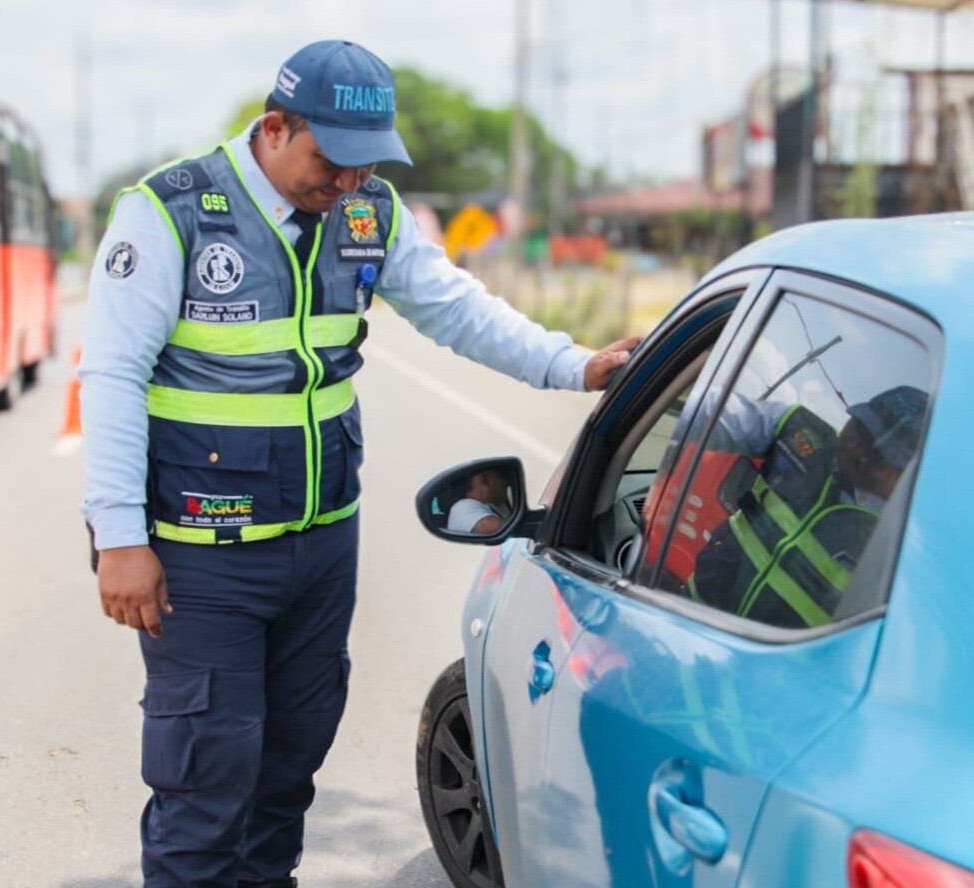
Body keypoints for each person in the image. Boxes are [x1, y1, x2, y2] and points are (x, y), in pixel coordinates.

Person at [80, 40, 639, 888]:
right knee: (205, 778)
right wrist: (120, 536)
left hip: (320, 543)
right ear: (275, 128)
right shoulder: (172, 212)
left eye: (366, 162)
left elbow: (454, 308)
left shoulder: (368, 211)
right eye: (330, 160)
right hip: (202, 555)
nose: (346, 181)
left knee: (289, 765)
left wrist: (572, 364)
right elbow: (112, 375)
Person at [686, 385, 928, 628]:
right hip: (689, 613)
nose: (855, 447)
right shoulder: (804, 436)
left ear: (908, 474)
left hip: (763, 651)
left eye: (878, 451)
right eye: (860, 427)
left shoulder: (905, 547)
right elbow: (710, 411)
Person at [445, 467, 511, 535]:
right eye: (502, 475)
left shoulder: (498, 504)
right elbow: (501, 528)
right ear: (485, 479)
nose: (506, 481)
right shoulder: (462, 507)